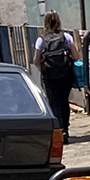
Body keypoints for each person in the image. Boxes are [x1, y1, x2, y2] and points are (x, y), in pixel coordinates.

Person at [33, 11, 80, 141]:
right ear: (58, 21)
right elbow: (76, 56)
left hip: (50, 77)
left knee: (54, 103)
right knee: (64, 101)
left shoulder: (40, 40)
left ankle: (59, 131)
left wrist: (43, 70)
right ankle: (66, 128)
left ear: (46, 23)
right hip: (66, 75)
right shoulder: (66, 37)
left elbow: (36, 61)